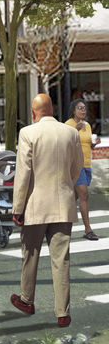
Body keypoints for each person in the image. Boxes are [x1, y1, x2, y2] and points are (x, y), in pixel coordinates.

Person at [11, 92, 86, 327]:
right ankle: (63, 313)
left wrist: (17, 208)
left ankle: (27, 299)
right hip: (63, 203)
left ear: (34, 113)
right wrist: (66, 185)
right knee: (61, 260)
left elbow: (23, 173)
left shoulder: (28, 133)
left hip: (35, 204)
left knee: (30, 254)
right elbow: (77, 166)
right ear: (52, 109)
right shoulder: (70, 132)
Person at [68, 100, 98, 241]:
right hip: (76, 165)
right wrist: (76, 130)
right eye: (79, 108)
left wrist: (94, 144)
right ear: (73, 110)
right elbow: (66, 143)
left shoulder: (87, 125)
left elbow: (88, 146)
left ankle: (56, 224)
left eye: (84, 108)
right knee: (84, 195)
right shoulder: (68, 125)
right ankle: (88, 230)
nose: (83, 111)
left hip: (87, 165)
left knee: (72, 198)